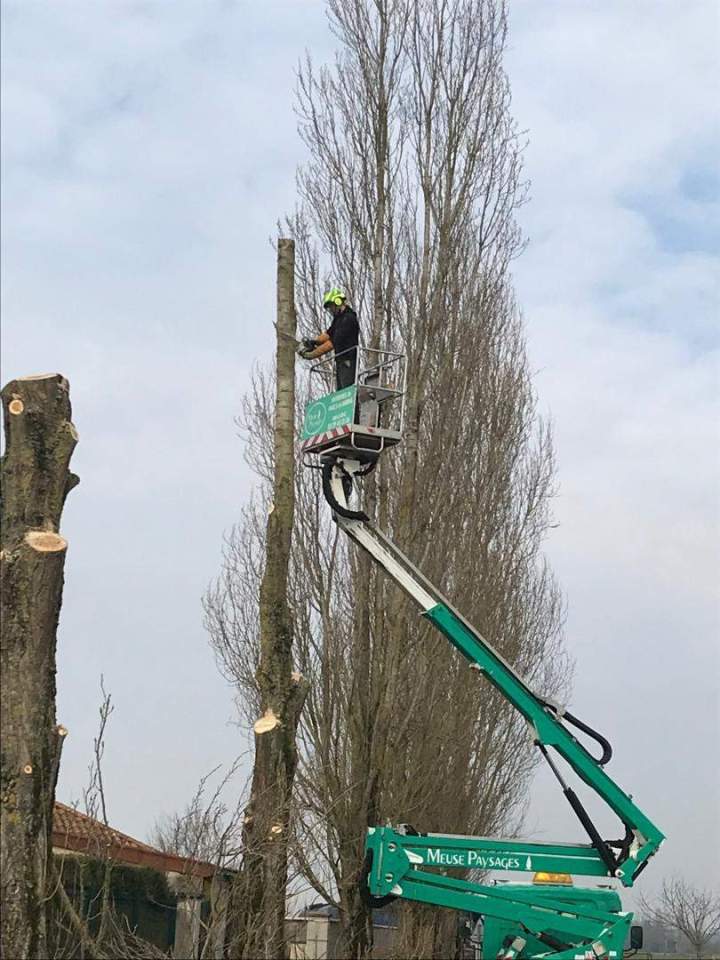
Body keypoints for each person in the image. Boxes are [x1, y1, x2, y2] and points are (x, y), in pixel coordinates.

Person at [298, 288, 360, 390]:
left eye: (331, 307)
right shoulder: (339, 319)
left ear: (337, 302)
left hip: (348, 360)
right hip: (341, 361)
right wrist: (314, 341)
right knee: (340, 392)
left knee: (346, 392)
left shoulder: (348, 319)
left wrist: (311, 355)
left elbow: (332, 343)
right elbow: (328, 334)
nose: (331, 310)